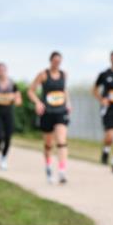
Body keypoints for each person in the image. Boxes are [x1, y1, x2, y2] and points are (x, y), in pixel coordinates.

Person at [28, 52, 71, 184]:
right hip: (47, 112)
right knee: (48, 144)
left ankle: (62, 171)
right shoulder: (43, 75)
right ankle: (48, 167)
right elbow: (31, 91)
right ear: (51, 61)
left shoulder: (64, 74)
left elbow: (64, 90)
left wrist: (68, 103)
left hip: (61, 111)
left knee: (61, 141)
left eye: (59, 61)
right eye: (55, 61)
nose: (57, 63)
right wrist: (38, 103)